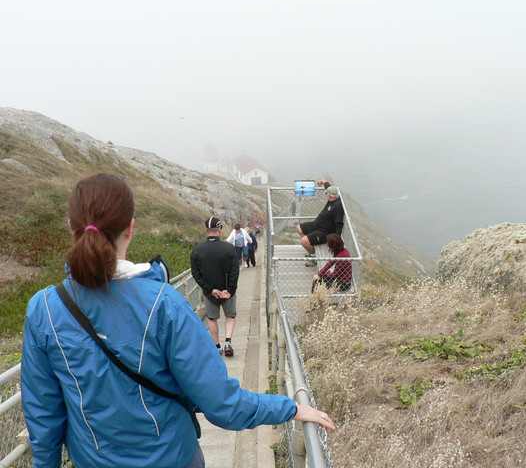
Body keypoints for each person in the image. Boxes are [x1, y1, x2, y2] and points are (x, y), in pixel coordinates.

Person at [21, 173, 335, 468]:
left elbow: (44, 417)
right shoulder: (164, 303)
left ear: (70, 226)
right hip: (172, 457)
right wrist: (288, 407)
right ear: (130, 228)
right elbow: (222, 404)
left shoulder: (44, 309)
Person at [191, 217, 239, 356]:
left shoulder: (197, 251)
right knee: (230, 316)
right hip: (227, 291)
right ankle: (228, 342)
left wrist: (210, 290)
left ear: (206, 230)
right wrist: (229, 290)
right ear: (219, 229)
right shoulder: (229, 248)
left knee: (212, 318)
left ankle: (217, 346)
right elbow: (234, 271)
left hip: (210, 292)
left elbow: (196, 274)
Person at [296, 179, 344, 258]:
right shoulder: (333, 198)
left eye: (327, 194)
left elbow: (339, 224)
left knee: (304, 241)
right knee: (299, 228)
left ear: (330, 195)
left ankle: (313, 255)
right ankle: (311, 246)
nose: (327, 195)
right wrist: (324, 181)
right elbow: (329, 188)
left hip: (325, 232)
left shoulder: (337, 207)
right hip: (316, 225)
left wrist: (336, 239)